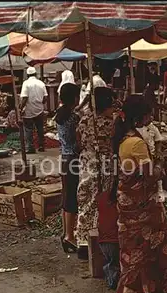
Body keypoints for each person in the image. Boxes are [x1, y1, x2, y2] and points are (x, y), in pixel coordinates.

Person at [113, 95, 167, 293]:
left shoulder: (124, 139)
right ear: (140, 115)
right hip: (143, 207)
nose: (151, 117)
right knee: (147, 253)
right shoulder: (136, 144)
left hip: (129, 206)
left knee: (133, 252)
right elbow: (150, 176)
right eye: (149, 113)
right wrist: (162, 161)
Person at [75, 87, 117, 248]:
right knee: (101, 200)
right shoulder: (109, 123)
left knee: (85, 200)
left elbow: (78, 139)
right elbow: (114, 142)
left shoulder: (84, 120)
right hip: (103, 164)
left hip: (86, 162)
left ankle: (83, 240)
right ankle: (97, 239)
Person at [55, 83, 81, 253]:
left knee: (67, 196)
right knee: (72, 197)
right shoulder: (74, 118)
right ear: (74, 98)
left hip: (65, 158)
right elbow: (79, 142)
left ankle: (67, 233)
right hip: (74, 159)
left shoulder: (60, 115)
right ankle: (69, 236)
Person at [136, 112, 165, 202]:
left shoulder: (152, 127)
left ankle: (160, 191)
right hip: (141, 156)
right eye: (149, 116)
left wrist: (158, 151)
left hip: (152, 155)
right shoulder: (136, 129)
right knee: (145, 174)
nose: (152, 118)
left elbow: (158, 140)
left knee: (158, 170)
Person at [20, 66, 48, 153]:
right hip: (39, 109)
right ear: (35, 74)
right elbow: (45, 97)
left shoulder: (26, 83)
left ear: (27, 75)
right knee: (40, 128)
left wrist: (20, 108)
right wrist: (40, 103)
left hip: (29, 110)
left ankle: (30, 147)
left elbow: (24, 98)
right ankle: (41, 146)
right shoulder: (41, 83)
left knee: (28, 129)